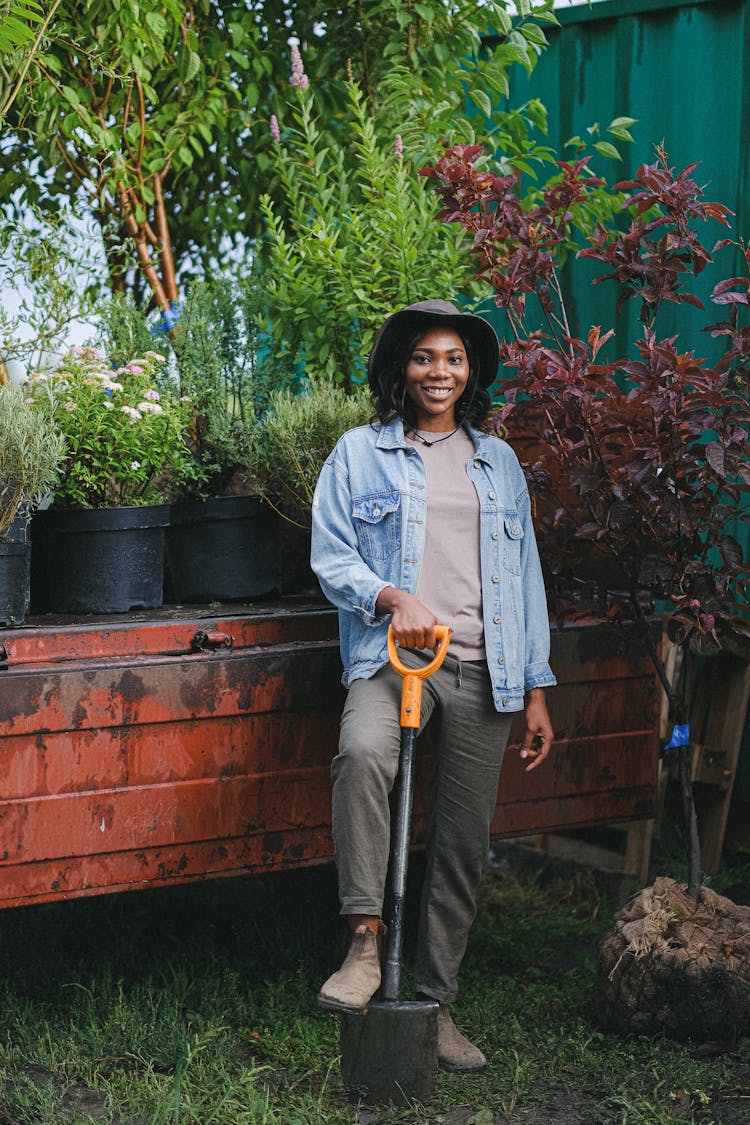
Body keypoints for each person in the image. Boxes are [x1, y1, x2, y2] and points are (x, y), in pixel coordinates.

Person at [310, 299, 556, 1073]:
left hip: (485, 666)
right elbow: (333, 553)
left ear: (470, 371)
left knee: (459, 841)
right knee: (361, 754)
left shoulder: (500, 462)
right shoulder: (358, 454)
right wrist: (393, 597)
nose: (439, 371)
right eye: (423, 357)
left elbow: (524, 578)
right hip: (394, 657)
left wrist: (536, 688)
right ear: (402, 370)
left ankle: (436, 1002)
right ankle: (363, 940)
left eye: (453, 358)